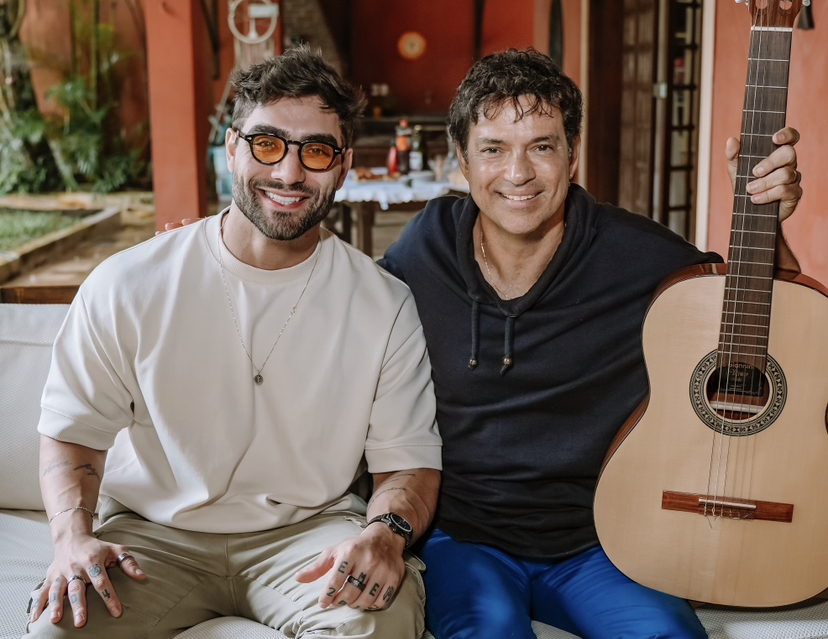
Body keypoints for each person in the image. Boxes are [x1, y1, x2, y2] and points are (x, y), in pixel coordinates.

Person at [378, 49, 803, 639]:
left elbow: (770, 328)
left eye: (542, 146)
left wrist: (766, 220)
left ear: (572, 155)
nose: (518, 173)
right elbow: (352, 320)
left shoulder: (638, 255)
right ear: (462, 161)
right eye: (494, 149)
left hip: (603, 542)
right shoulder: (427, 245)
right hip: (465, 536)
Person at [26, 45, 442, 639]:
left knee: (379, 623)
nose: (289, 174)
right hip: (152, 535)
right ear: (231, 149)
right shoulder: (129, 283)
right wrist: (72, 539)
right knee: (58, 628)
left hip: (310, 534)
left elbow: (407, 464)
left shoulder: (384, 304)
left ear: (344, 165)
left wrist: (384, 536)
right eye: (267, 144)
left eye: (316, 151)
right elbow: (73, 434)